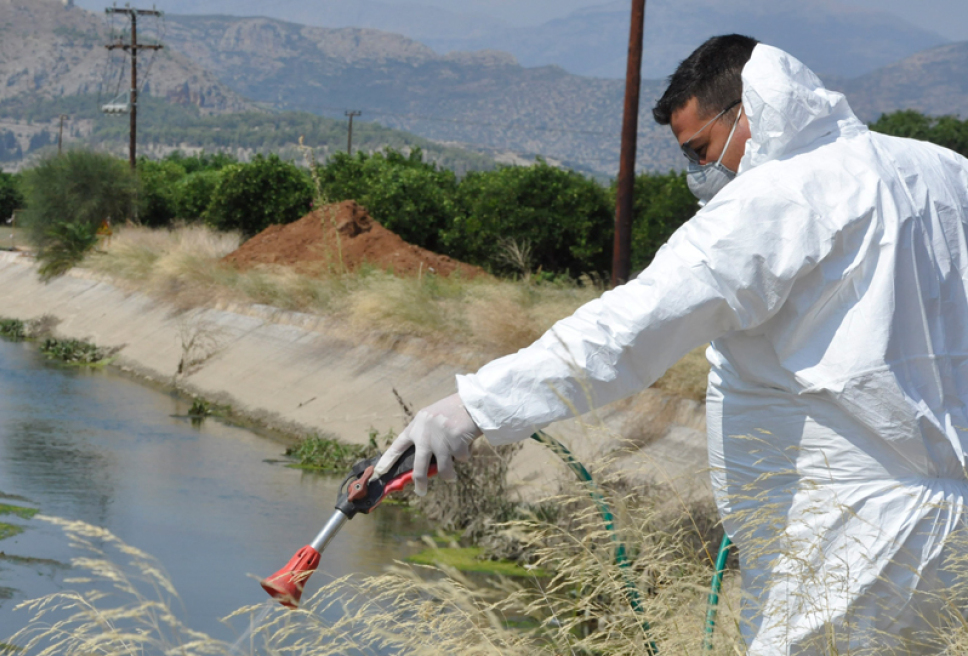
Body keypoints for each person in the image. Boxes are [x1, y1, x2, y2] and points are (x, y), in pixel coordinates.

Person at [375, 35, 968, 653]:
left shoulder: (777, 197)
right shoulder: (942, 170)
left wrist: (473, 408)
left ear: (747, 113)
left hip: (848, 538)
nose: (698, 174)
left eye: (700, 150)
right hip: (953, 531)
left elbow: (630, 328)